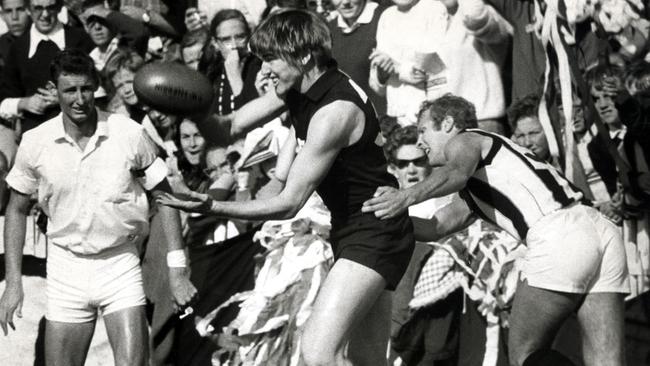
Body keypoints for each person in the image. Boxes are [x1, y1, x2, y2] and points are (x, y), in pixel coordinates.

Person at [157, 9, 415, 366]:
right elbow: (227, 128)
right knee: (366, 359)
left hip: (375, 231)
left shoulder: (334, 113)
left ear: (304, 57)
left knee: (318, 352)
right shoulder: (297, 87)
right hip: (356, 228)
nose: (262, 70)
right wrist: (195, 104)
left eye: (270, 59)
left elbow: (288, 203)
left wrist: (212, 207)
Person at [361, 94, 629, 366]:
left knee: (524, 355)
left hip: (560, 233)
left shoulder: (465, 139)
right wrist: (379, 217)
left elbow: (456, 172)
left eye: (423, 130)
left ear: (449, 124)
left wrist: (403, 198)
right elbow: (436, 227)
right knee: (606, 360)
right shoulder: (485, 174)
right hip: (601, 230)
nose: (420, 142)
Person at [0, 49, 197, 366]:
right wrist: (13, 283)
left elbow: (164, 195)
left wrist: (177, 272)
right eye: (70, 90)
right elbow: (16, 208)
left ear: (96, 87)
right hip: (66, 267)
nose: (79, 99)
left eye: (86, 89)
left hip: (120, 262)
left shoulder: (129, 133)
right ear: (56, 91)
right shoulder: (36, 141)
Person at [0, 0, 94, 133]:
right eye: (38, 8)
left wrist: (65, 97)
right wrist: (24, 103)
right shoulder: (18, 47)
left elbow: (98, 88)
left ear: (60, 7)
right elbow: (4, 99)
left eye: (50, 8)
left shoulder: (81, 39)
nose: (44, 14)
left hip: (79, 130)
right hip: (35, 133)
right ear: (28, 10)